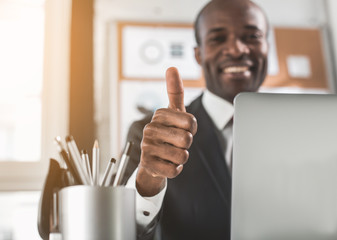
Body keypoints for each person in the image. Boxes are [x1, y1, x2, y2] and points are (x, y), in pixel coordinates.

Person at [124, 0, 269, 239]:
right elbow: (126, 232)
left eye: (252, 36)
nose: (237, 49)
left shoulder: (308, 131)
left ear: (267, 46)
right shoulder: (148, 134)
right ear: (198, 55)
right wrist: (148, 182)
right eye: (218, 39)